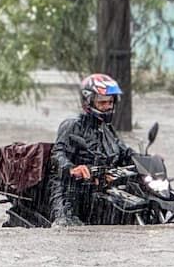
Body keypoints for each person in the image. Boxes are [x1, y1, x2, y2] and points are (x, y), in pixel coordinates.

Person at [48, 73, 134, 226]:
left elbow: (124, 152)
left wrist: (147, 160)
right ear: (88, 102)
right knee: (68, 227)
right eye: (102, 103)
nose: (107, 107)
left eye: (110, 102)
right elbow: (57, 154)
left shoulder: (107, 129)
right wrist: (72, 169)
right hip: (69, 191)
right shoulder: (72, 125)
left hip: (99, 188)